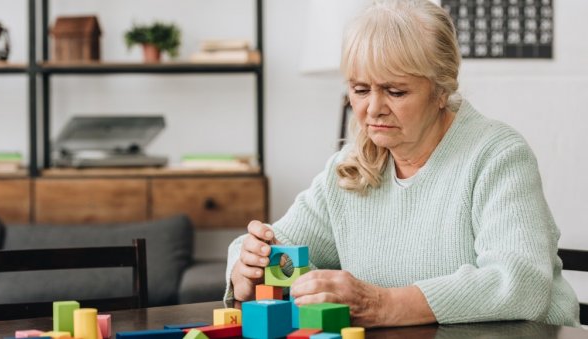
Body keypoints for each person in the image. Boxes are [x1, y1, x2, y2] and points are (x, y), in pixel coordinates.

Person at [224, 0, 580, 328]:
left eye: (396, 91)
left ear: (442, 90)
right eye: (360, 90)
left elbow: (520, 283)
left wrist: (382, 304)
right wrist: (248, 264)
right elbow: (276, 243)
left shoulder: (497, 155)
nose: (373, 108)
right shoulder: (350, 167)